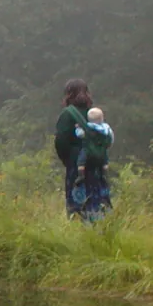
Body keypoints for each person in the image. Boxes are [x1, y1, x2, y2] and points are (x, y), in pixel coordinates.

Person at [54, 79, 110, 220]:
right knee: (97, 201)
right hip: (97, 165)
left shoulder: (68, 114)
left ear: (68, 94)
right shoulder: (95, 114)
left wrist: (69, 160)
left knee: (78, 204)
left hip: (76, 166)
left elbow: (61, 142)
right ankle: (101, 231)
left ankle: (80, 233)